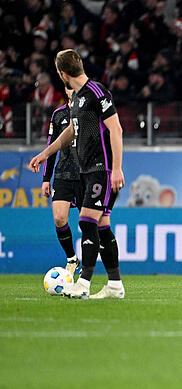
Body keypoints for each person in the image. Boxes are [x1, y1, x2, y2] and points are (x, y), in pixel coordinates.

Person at [30, 49, 126, 299]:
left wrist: (116, 168)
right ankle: (115, 285)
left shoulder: (97, 92)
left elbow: (116, 129)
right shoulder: (79, 98)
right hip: (86, 170)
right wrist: (45, 153)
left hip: (101, 169)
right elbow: (70, 133)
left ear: (62, 74)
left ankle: (83, 283)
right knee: (102, 226)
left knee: (86, 221)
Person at [41, 87, 82, 277]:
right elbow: (51, 148)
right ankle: (72, 258)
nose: (72, 89)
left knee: (88, 223)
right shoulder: (58, 115)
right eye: (68, 86)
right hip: (63, 173)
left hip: (86, 173)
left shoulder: (89, 111)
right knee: (59, 218)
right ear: (65, 90)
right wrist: (46, 179)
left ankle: (88, 269)